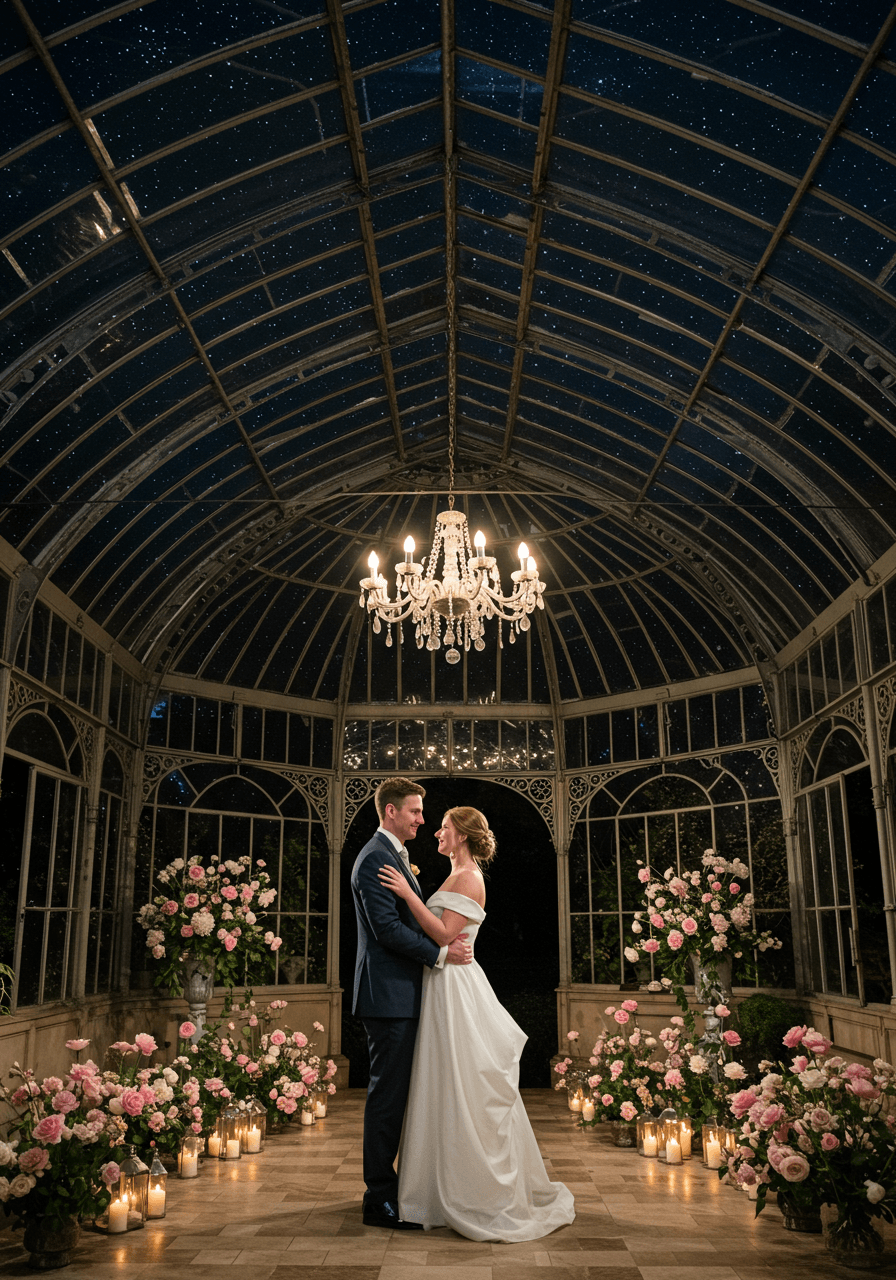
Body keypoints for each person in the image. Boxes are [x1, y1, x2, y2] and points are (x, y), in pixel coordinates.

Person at [377, 805, 576, 1242]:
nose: (436, 834)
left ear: (462, 835)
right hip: (442, 981)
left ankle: (471, 1190)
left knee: (461, 1081)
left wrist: (408, 896)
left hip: (455, 986)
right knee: (441, 1081)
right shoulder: (455, 875)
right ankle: (431, 1189)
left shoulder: (469, 877)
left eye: (444, 828)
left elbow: (446, 935)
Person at [351, 778, 472, 1231]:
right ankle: (378, 1199)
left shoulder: (392, 857)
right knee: (387, 1100)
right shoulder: (375, 859)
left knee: (399, 1098)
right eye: (416, 812)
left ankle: (395, 1190)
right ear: (390, 812)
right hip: (388, 998)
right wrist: (441, 954)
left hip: (403, 995)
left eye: (423, 813)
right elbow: (386, 930)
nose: (422, 819)